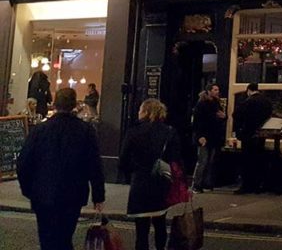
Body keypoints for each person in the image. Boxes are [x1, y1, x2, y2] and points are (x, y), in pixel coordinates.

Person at [17, 87, 105, 250]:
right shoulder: (85, 131)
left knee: (47, 237)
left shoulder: (40, 130)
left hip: (43, 193)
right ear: (73, 105)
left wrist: (28, 189)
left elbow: (23, 162)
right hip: (73, 193)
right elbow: (94, 165)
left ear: (56, 104)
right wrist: (98, 195)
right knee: (65, 236)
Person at [120, 99, 181, 250]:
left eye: (140, 110)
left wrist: (131, 174)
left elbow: (123, 161)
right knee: (160, 223)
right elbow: (175, 159)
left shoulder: (134, 131)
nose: (138, 113)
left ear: (146, 112)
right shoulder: (169, 131)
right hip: (161, 182)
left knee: (141, 230)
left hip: (140, 182)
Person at [232, 82, 273, 194]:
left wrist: (240, 129)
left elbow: (236, 115)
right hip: (261, 135)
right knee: (258, 160)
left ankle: (247, 186)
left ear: (249, 90)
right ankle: (258, 185)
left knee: (247, 161)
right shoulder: (266, 102)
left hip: (248, 135)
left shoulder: (248, 102)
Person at [192, 83, 226, 192]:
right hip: (204, 136)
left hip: (214, 136)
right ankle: (196, 184)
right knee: (203, 160)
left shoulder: (216, 103)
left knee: (210, 161)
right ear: (209, 91)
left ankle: (206, 182)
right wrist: (200, 136)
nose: (217, 92)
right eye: (215, 90)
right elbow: (197, 122)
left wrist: (224, 117)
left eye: (218, 89)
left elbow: (220, 116)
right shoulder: (201, 104)